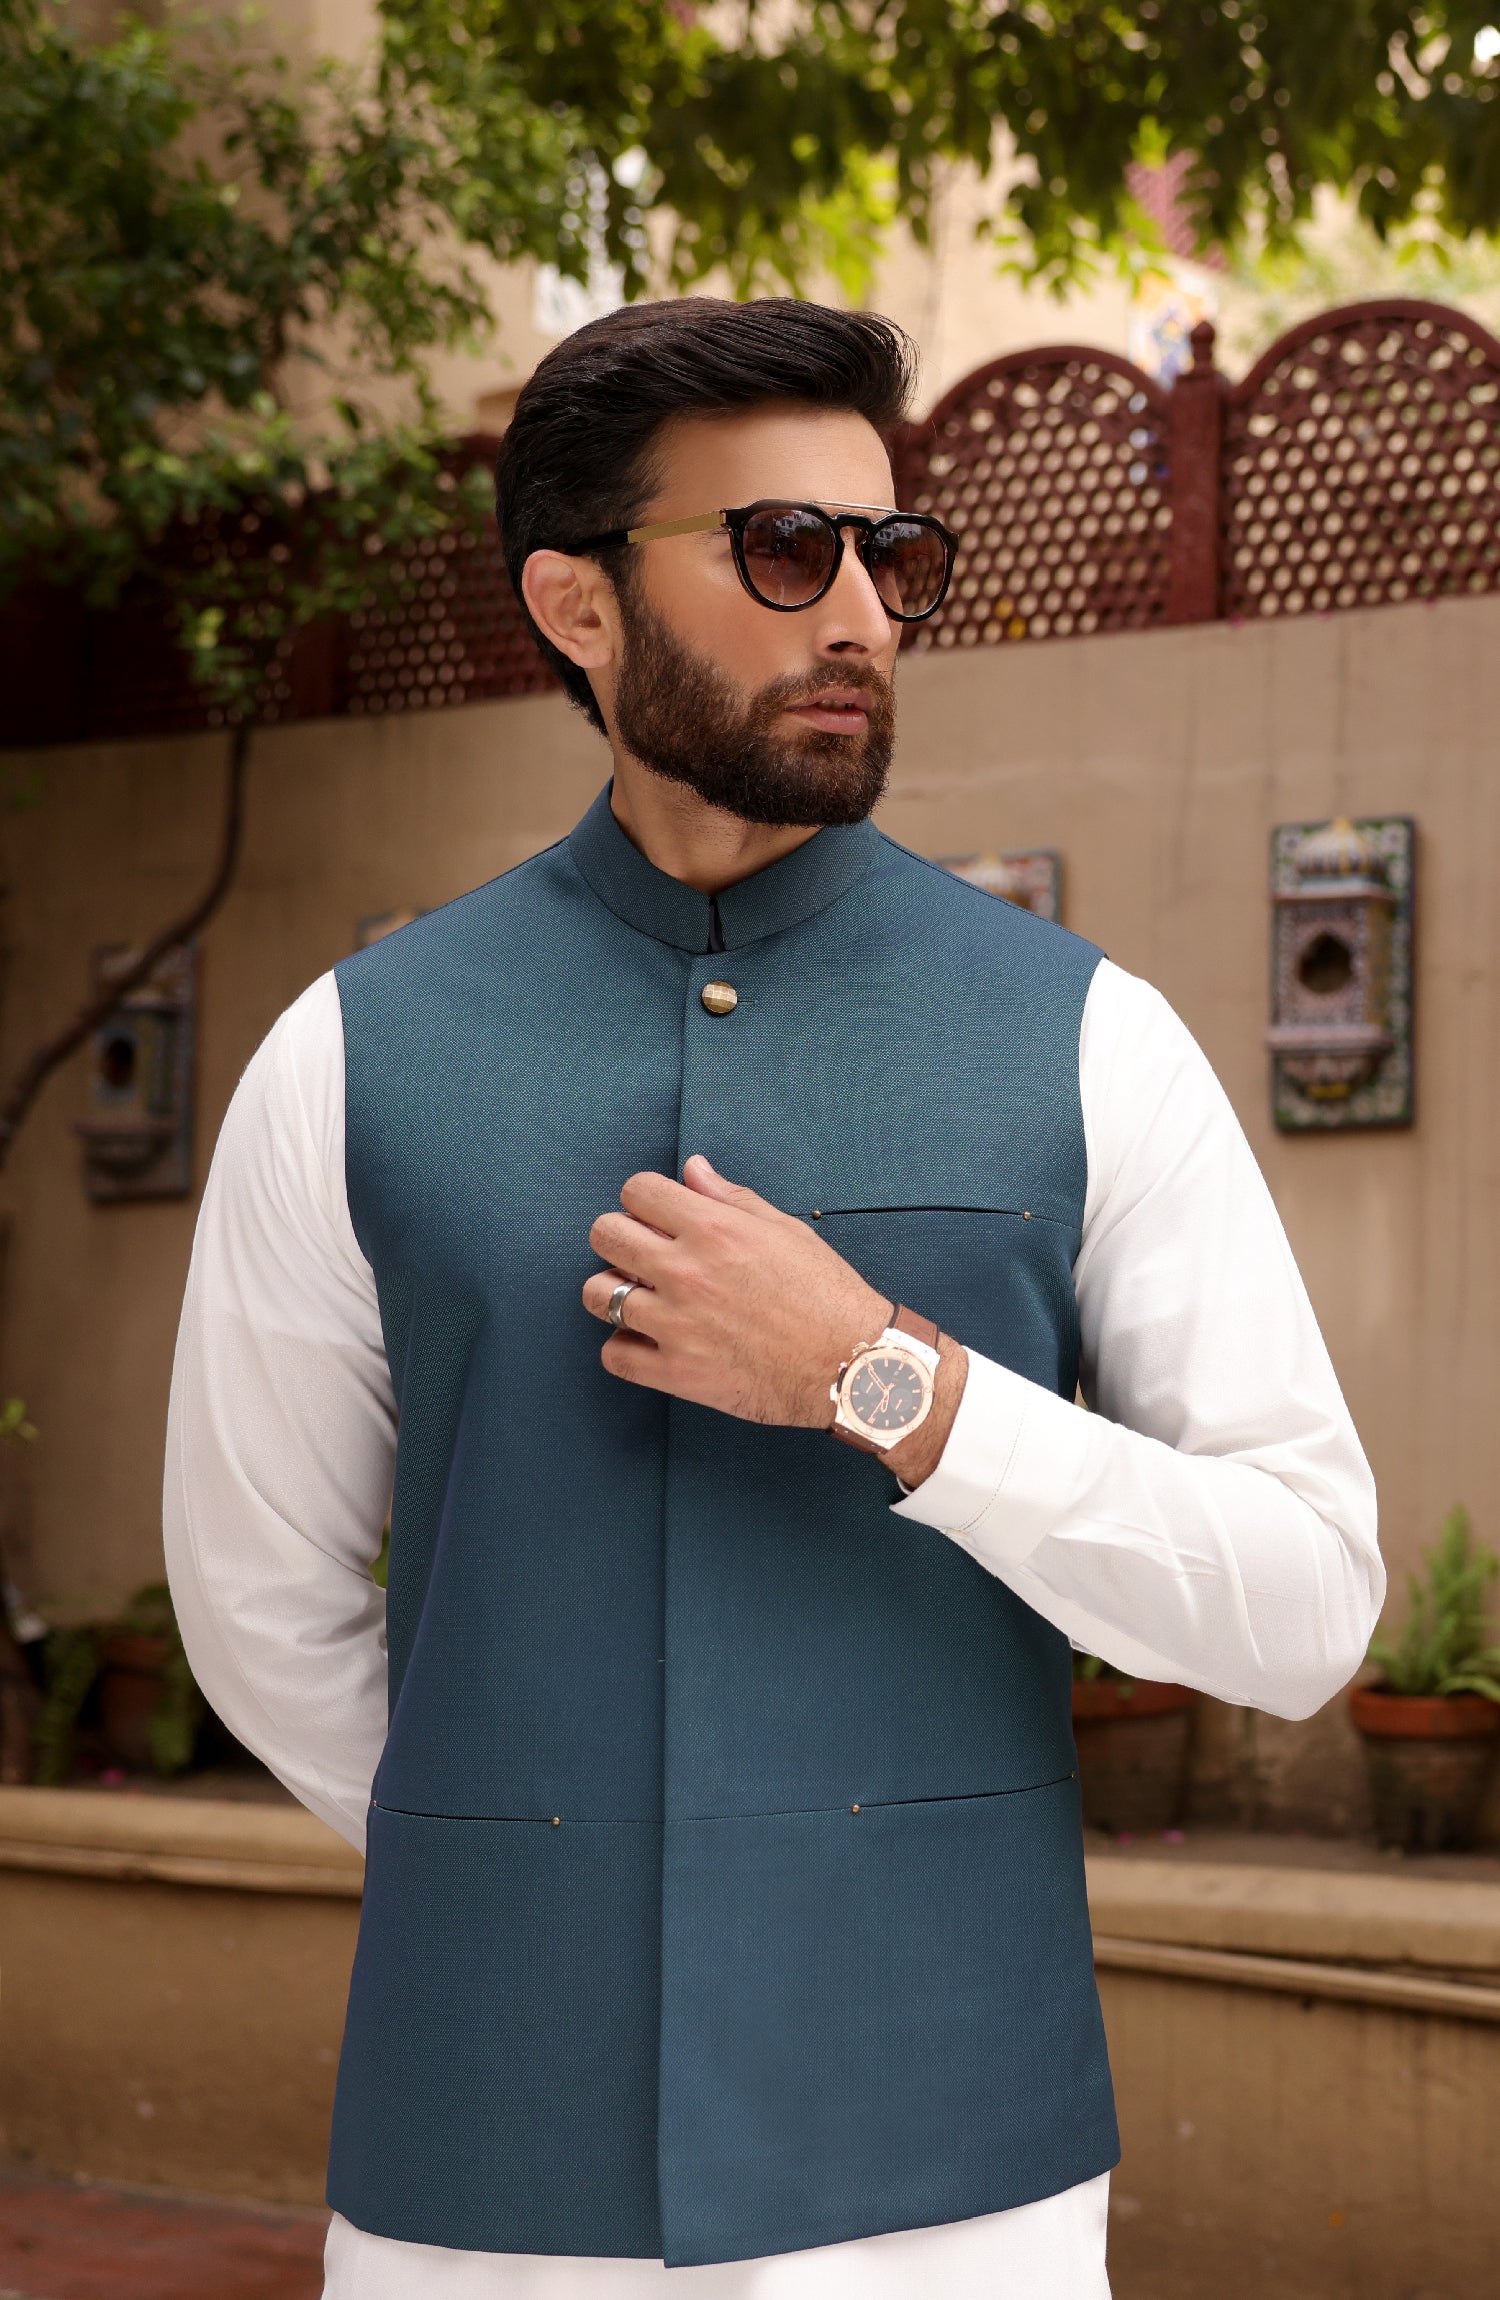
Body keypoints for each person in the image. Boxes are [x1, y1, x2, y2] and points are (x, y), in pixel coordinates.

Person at [164, 296, 1383, 2300]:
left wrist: (889, 1381)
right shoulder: (348, 1056)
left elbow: (1309, 1599)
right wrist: (525, 1860)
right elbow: (255, 1597)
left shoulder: (1095, 1039)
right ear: (576, 604)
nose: (865, 615)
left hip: (955, 2175)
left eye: (892, 554)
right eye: (784, 551)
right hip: (489, 2163)